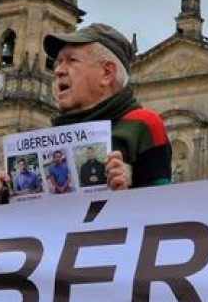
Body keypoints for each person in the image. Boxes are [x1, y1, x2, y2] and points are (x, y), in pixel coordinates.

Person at [44, 22, 171, 189]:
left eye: (71, 60)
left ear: (106, 73)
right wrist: (1, 196)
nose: (59, 70)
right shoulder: (53, 132)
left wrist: (129, 187)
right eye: (59, 62)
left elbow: (162, 205)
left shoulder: (143, 125)